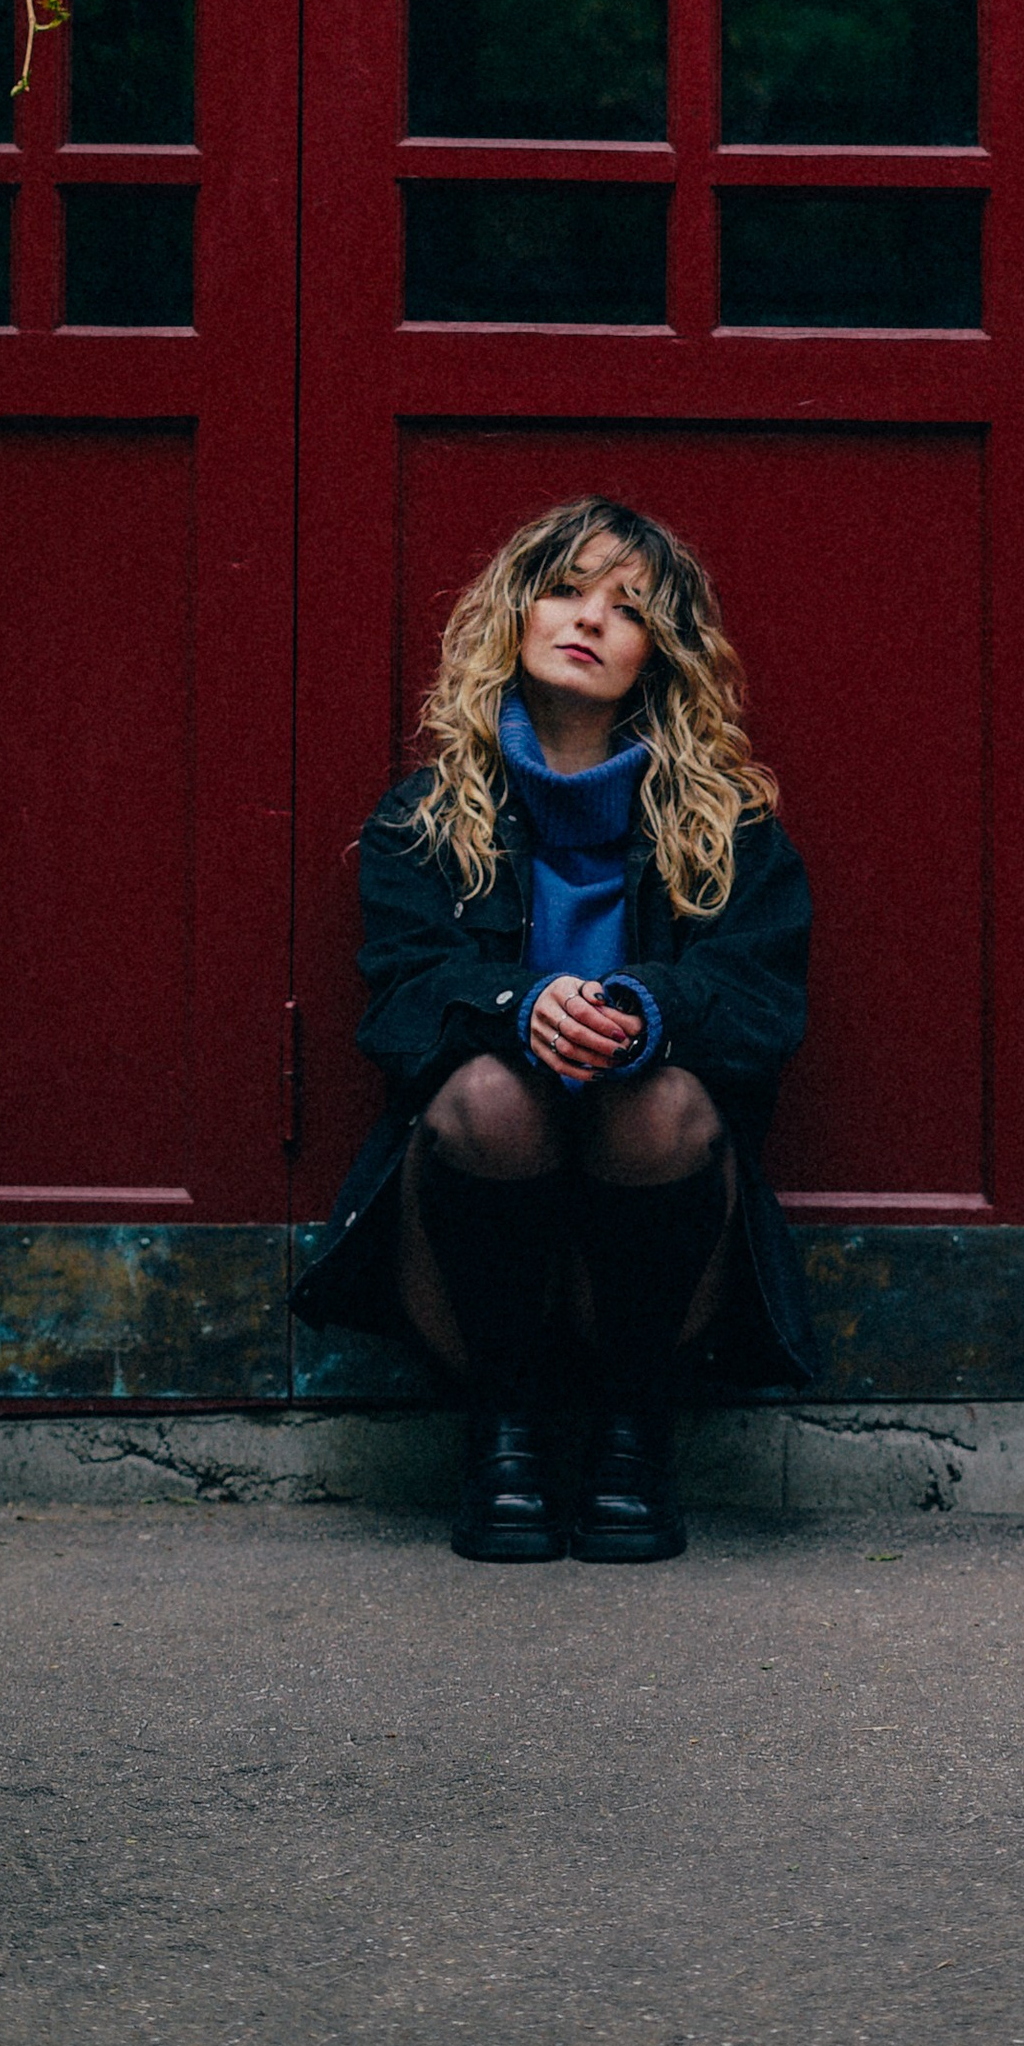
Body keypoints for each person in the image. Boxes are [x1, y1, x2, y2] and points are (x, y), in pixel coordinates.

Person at [291, 497, 817, 1564]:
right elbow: (399, 1003)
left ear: (659, 655)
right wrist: (518, 1007)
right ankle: (503, 1435)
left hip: (659, 1245)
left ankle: (633, 1440)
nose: (587, 619)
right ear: (514, 615)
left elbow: (760, 1005)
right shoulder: (423, 819)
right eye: (565, 589)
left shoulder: (731, 826)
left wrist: (647, 1009)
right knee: (492, 1093)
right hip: (475, 1240)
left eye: (626, 609)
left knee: (658, 1099)